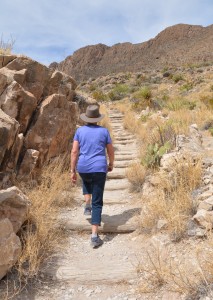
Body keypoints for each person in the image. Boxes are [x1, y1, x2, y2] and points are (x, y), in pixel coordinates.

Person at [70, 104, 114, 248]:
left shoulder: (79, 131)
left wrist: (72, 170)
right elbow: (110, 150)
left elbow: (74, 152)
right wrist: (111, 163)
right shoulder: (104, 131)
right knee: (98, 200)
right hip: (99, 167)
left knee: (87, 179)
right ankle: (94, 235)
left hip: (83, 166)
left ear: (86, 118)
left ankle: (87, 204)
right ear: (97, 119)